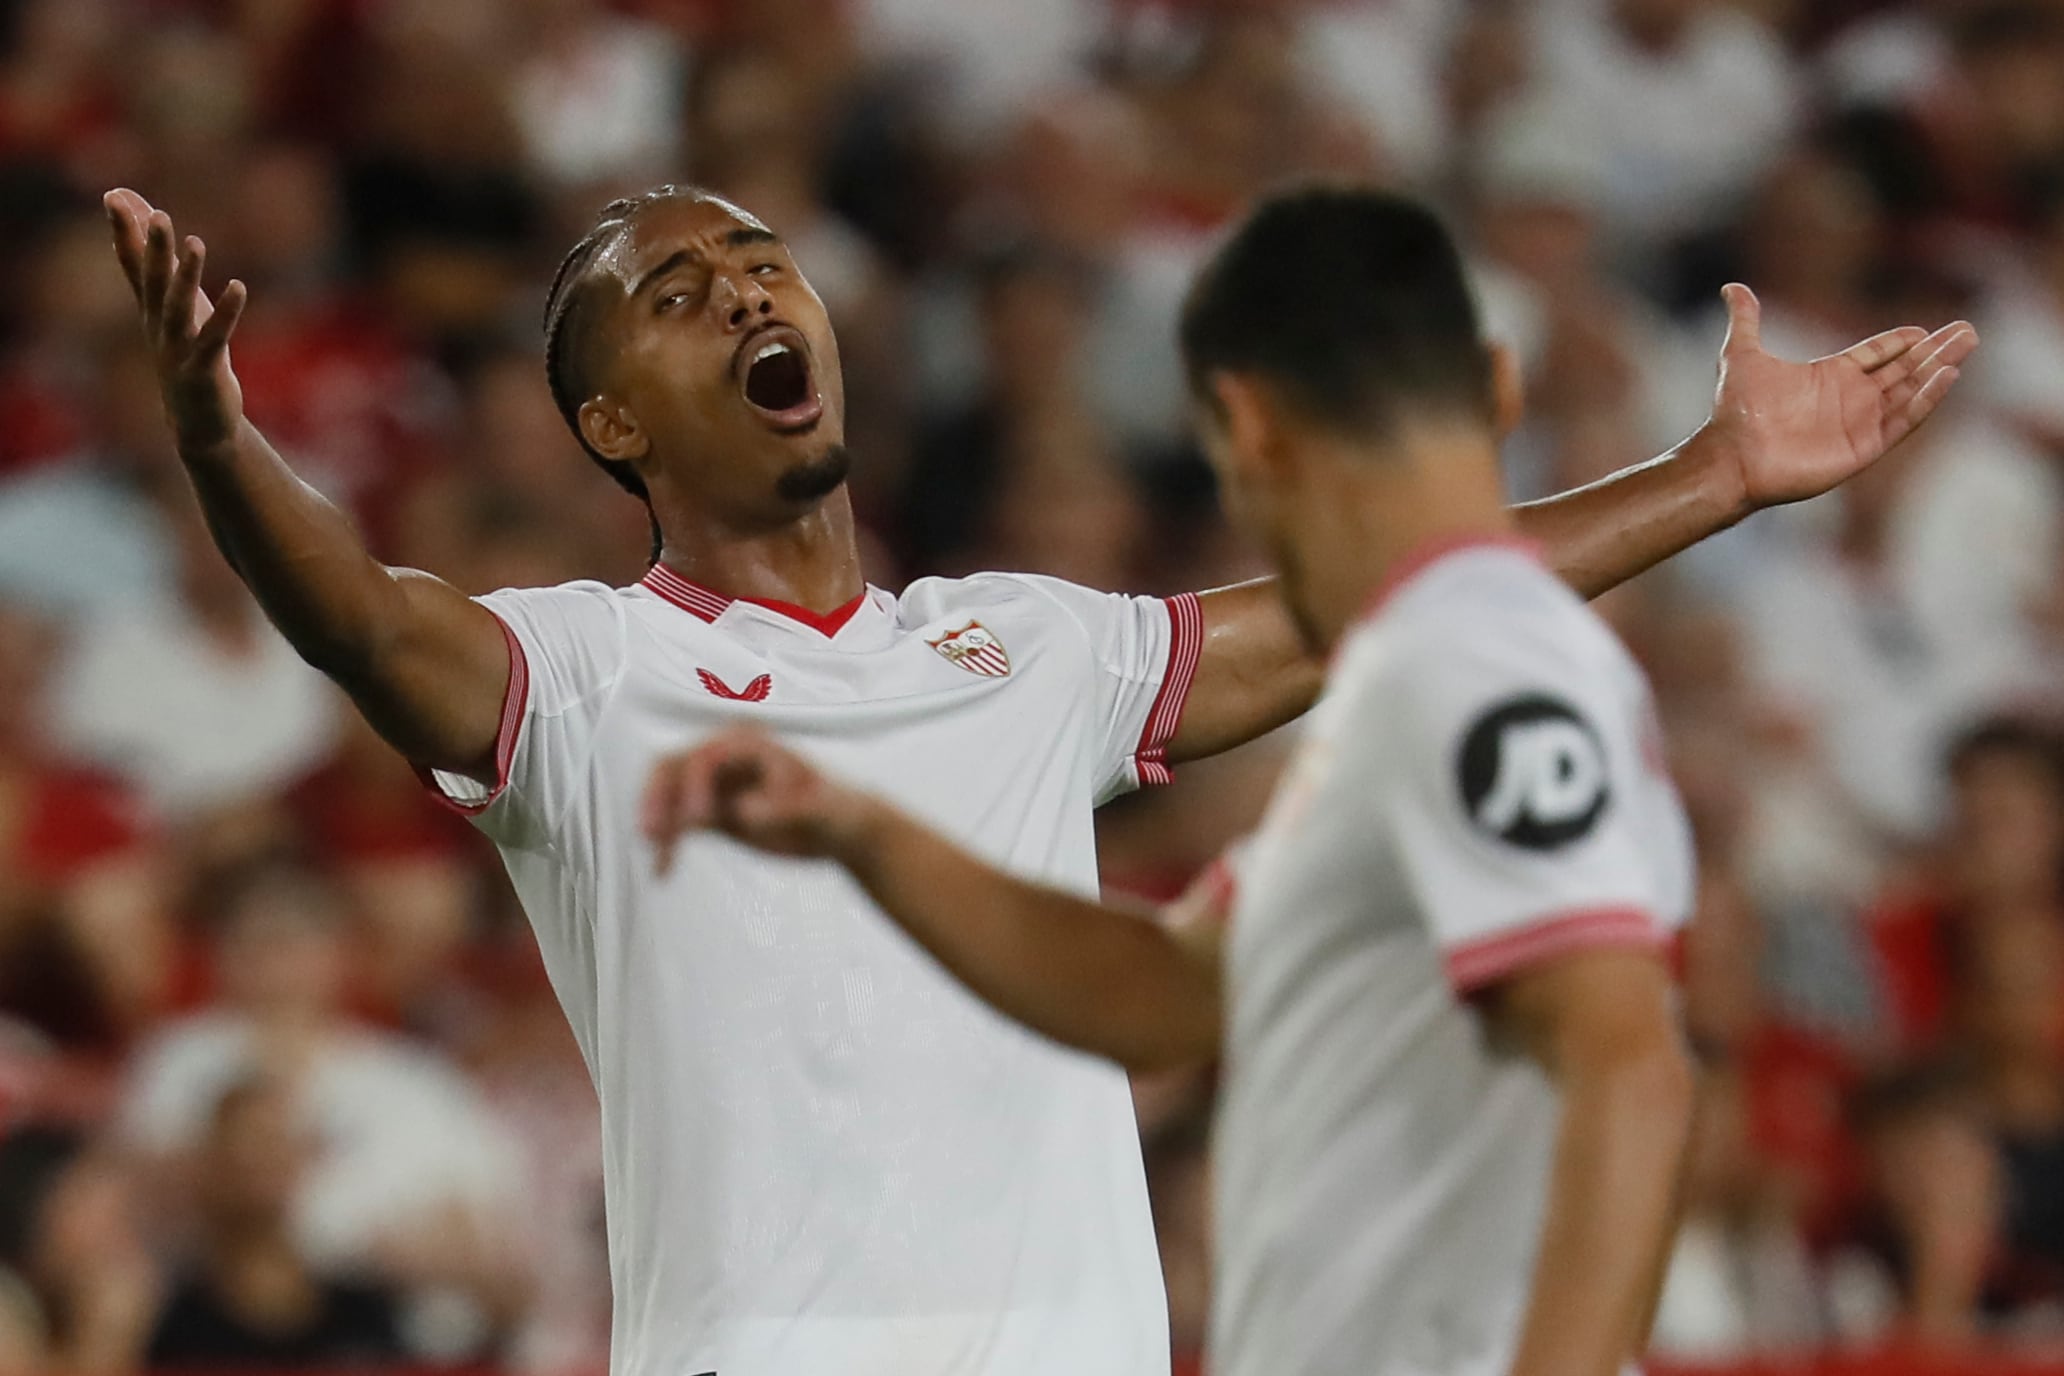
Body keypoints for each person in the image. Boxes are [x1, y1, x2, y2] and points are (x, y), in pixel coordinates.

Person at [103, 173, 1972, 1376]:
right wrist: (219, 438)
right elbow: (358, 616)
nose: (752, 295)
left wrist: (1718, 478)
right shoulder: (587, 677)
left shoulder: (1024, 647)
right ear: (608, 422)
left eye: (764, 267)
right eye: (680, 294)